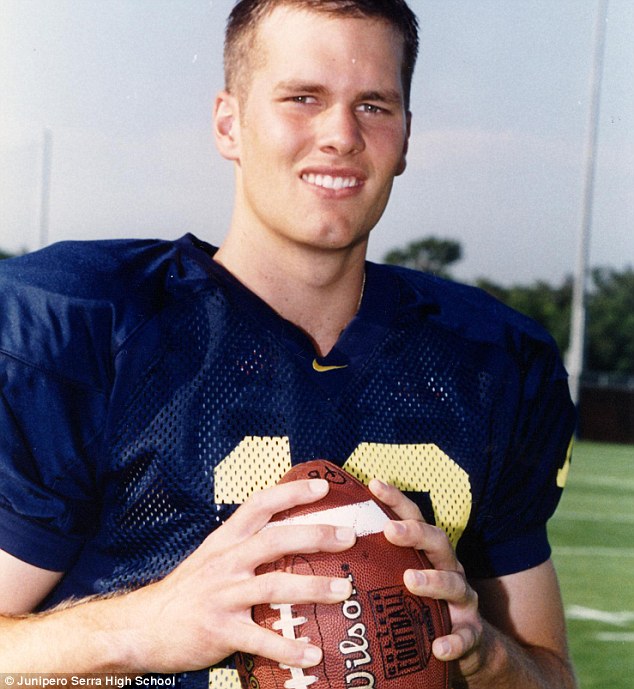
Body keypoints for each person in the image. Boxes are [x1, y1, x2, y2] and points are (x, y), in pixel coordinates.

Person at [0, 0, 577, 687]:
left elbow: (549, 674)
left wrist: (482, 653)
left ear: (406, 135)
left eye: (374, 106)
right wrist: (145, 625)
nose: (339, 134)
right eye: (303, 98)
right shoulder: (91, 327)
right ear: (230, 122)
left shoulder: (493, 362)